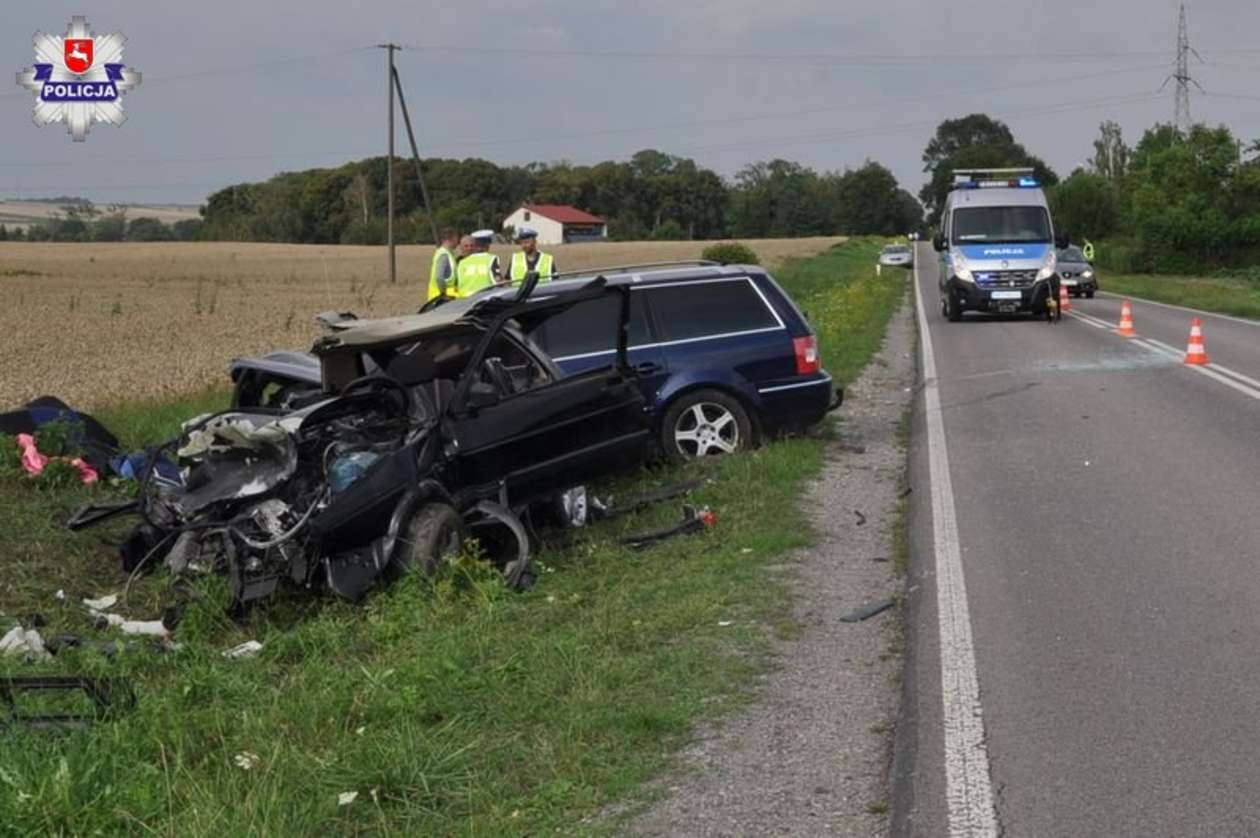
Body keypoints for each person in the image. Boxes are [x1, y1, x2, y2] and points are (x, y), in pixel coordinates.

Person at [455, 229, 502, 297]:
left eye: (471, 246)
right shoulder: (491, 259)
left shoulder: (461, 262)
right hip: (482, 298)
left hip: (466, 299)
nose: (469, 248)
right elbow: (497, 282)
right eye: (466, 246)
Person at [426, 228, 460, 302]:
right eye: (457, 239)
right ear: (452, 239)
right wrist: (443, 294)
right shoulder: (444, 255)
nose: (458, 243)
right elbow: (439, 277)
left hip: (439, 297)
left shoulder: (444, 253)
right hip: (440, 299)